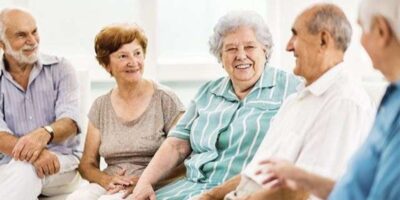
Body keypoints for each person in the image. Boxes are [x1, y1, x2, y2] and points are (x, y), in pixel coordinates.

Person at [196, 3, 375, 200]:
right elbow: (255, 174)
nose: (288, 46)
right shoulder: (296, 100)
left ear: (323, 40)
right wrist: (209, 197)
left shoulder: (343, 103)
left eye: (295, 35)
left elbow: (301, 192)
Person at [127, 10, 300, 200]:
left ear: (265, 51)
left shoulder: (292, 89)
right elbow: (176, 145)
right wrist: (144, 183)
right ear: (220, 56)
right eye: (231, 49)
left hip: (241, 193)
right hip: (187, 188)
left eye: (250, 46)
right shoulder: (208, 92)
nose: (241, 55)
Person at [246, 0, 400, 199]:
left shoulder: (346, 101)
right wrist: (301, 177)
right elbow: (356, 190)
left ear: (381, 31)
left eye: (362, 28)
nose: (359, 41)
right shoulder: (391, 102)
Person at [66, 24, 185, 200]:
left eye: (137, 53)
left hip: (152, 185)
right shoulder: (101, 106)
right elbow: (87, 164)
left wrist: (147, 180)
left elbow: (186, 160)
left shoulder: (165, 100)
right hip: (111, 184)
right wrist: (106, 180)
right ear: (107, 65)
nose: (133, 62)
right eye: (123, 56)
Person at [0, 8, 81, 200]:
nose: (32, 40)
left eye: (34, 31)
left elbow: (70, 122)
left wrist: (44, 134)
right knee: (23, 169)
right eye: (21, 35)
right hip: (8, 165)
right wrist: (35, 153)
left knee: (25, 169)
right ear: (2, 44)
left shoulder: (61, 69)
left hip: (61, 165)